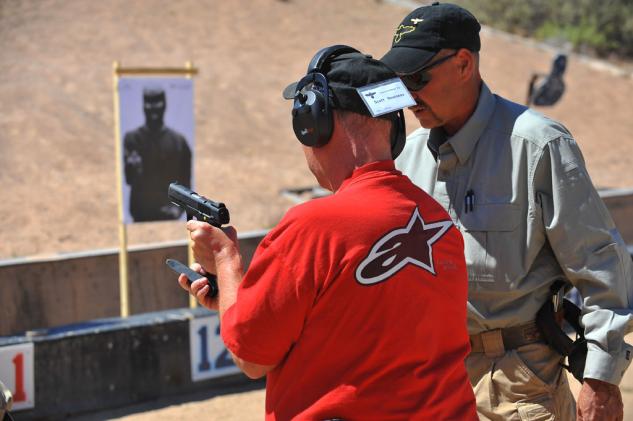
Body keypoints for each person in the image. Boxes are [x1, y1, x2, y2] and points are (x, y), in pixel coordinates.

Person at [179, 46, 478, 420]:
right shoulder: (438, 223)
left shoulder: (313, 227)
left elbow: (251, 356)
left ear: (314, 122)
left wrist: (225, 260)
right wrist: (234, 300)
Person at [380, 3, 633, 420]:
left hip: (519, 385)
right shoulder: (405, 159)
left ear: (464, 64)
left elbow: (602, 268)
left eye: (417, 78)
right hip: (430, 383)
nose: (406, 95)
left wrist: (601, 381)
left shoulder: (538, 146)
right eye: (398, 81)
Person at [123, 86, 192, 222]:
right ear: (143, 106)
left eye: (157, 102)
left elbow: (186, 181)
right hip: (140, 214)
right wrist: (132, 167)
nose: (153, 107)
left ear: (164, 105)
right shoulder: (132, 139)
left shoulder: (179, 142)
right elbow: (129, 179)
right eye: (148, 102)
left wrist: (178, 209)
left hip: (170, 214)